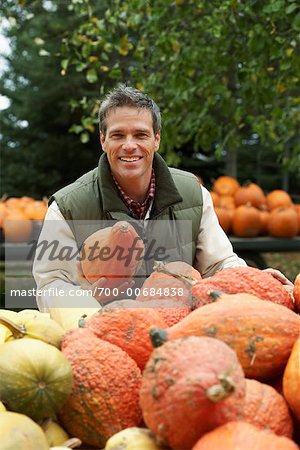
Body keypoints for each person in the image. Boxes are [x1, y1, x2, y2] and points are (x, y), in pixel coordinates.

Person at [33, 84, 292, 312]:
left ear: (156, 139)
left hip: (181, 330)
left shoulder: (193, 193)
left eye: (141, 134)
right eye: (118, 135)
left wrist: (251, 281)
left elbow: (219, 263)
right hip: (106, 332)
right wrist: (84, 299)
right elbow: (50, 285)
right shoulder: (67, 207)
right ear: (103, 140)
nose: (129, 145)